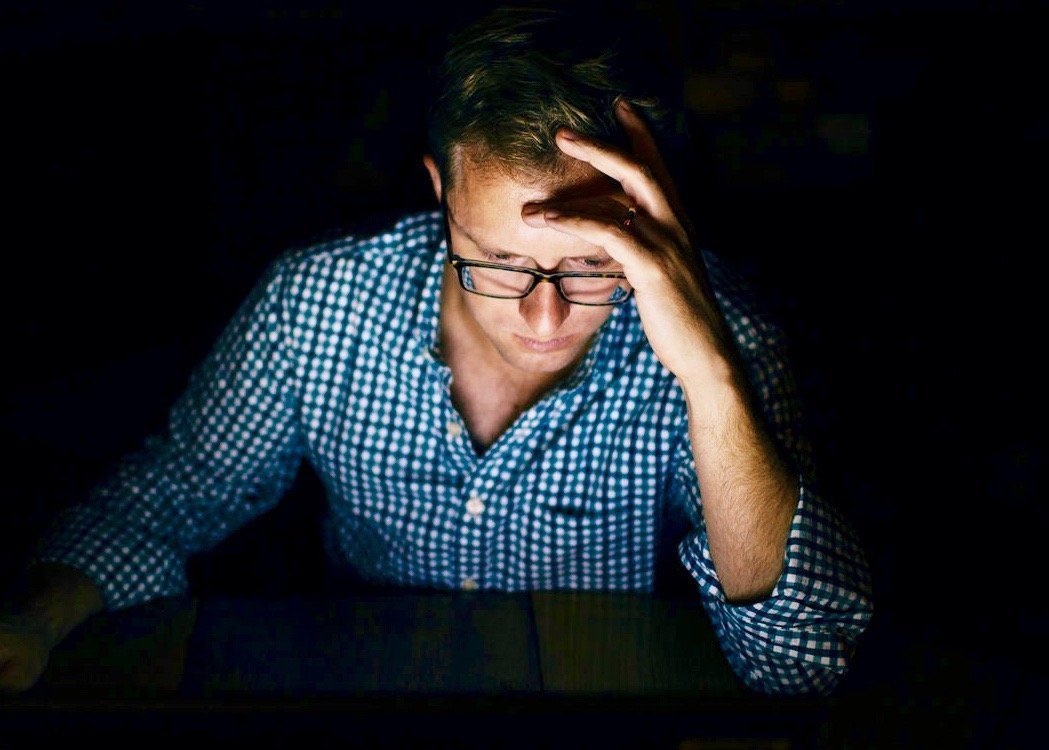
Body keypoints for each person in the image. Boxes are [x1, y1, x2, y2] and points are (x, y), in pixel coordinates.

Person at [0, 5, 872, 696]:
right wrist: (32, 624)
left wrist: (709, 374)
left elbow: (799, 661)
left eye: (592, 264)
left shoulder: (729, 335)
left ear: (656, 216)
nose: (542, 319)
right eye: (495, 262)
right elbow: (173, 498)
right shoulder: (317, 304)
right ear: (437, 193)